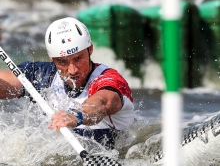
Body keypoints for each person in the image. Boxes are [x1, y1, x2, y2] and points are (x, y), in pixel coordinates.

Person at [0, 17, 134, 149]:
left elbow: (103, 103)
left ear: (90, 49)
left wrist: (75, 116)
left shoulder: (108, 78)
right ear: (52, 59)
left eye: (78, 58)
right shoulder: (42, 75)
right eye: (63, 62)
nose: (73, 70)